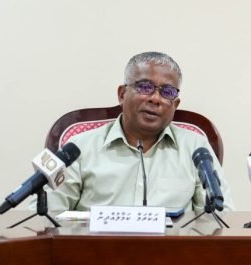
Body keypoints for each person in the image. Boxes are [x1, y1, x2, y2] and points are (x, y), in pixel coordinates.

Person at [46, 52, 233, 212]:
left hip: (174, 253)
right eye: (145, 87)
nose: (155, 99)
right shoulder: (80, 147)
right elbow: (46, 216)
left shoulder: (195, 147)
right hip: (95, 251)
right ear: (122, 94)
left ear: (175, 105)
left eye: (167, 92)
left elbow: (219, 218)